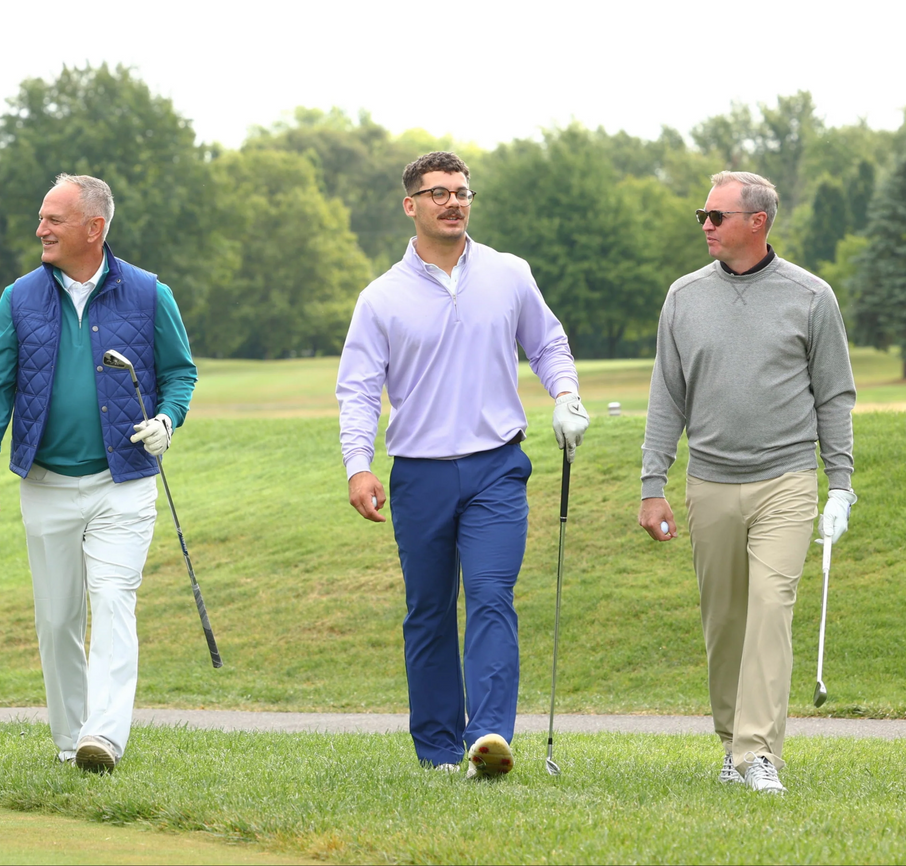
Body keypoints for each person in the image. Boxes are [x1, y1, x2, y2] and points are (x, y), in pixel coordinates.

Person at [336, 151, 589, 777]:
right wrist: (357, 465)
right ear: (411, 205)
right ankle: (439, 750)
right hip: (418, 473)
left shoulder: (508, 273)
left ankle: (490, 738)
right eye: (439, 192)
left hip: (497, 466)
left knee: (490, 594)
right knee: (428, 610)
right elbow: (360, 390)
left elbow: (548, 342)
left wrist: (566, 396)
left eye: (462, 191)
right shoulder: (380, 297)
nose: (454, 202)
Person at [0, 173, 197, 773]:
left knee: (114, 600)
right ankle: (71, 741)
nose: (40, 229)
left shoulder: (150, 294)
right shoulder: (18, 298)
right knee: (58, 617)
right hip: (45, 483)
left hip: (123, 482)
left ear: (95, 228)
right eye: (42, 218)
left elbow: (181, 374)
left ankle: (104, 737)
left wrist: (168, 420)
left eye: (54, 220)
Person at [639, 171, 856, 795]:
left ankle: (758, 751)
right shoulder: (682, 297)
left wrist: (839, 483)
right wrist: (652, 483)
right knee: (726, 620)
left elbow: (834, 395)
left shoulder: (811, 297)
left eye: (715, 216)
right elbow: (666, 399)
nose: (704, 225)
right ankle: (734, 742)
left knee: (769, 609)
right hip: (709, 481)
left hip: (785, 480)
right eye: (702, 216)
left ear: (756, 222)